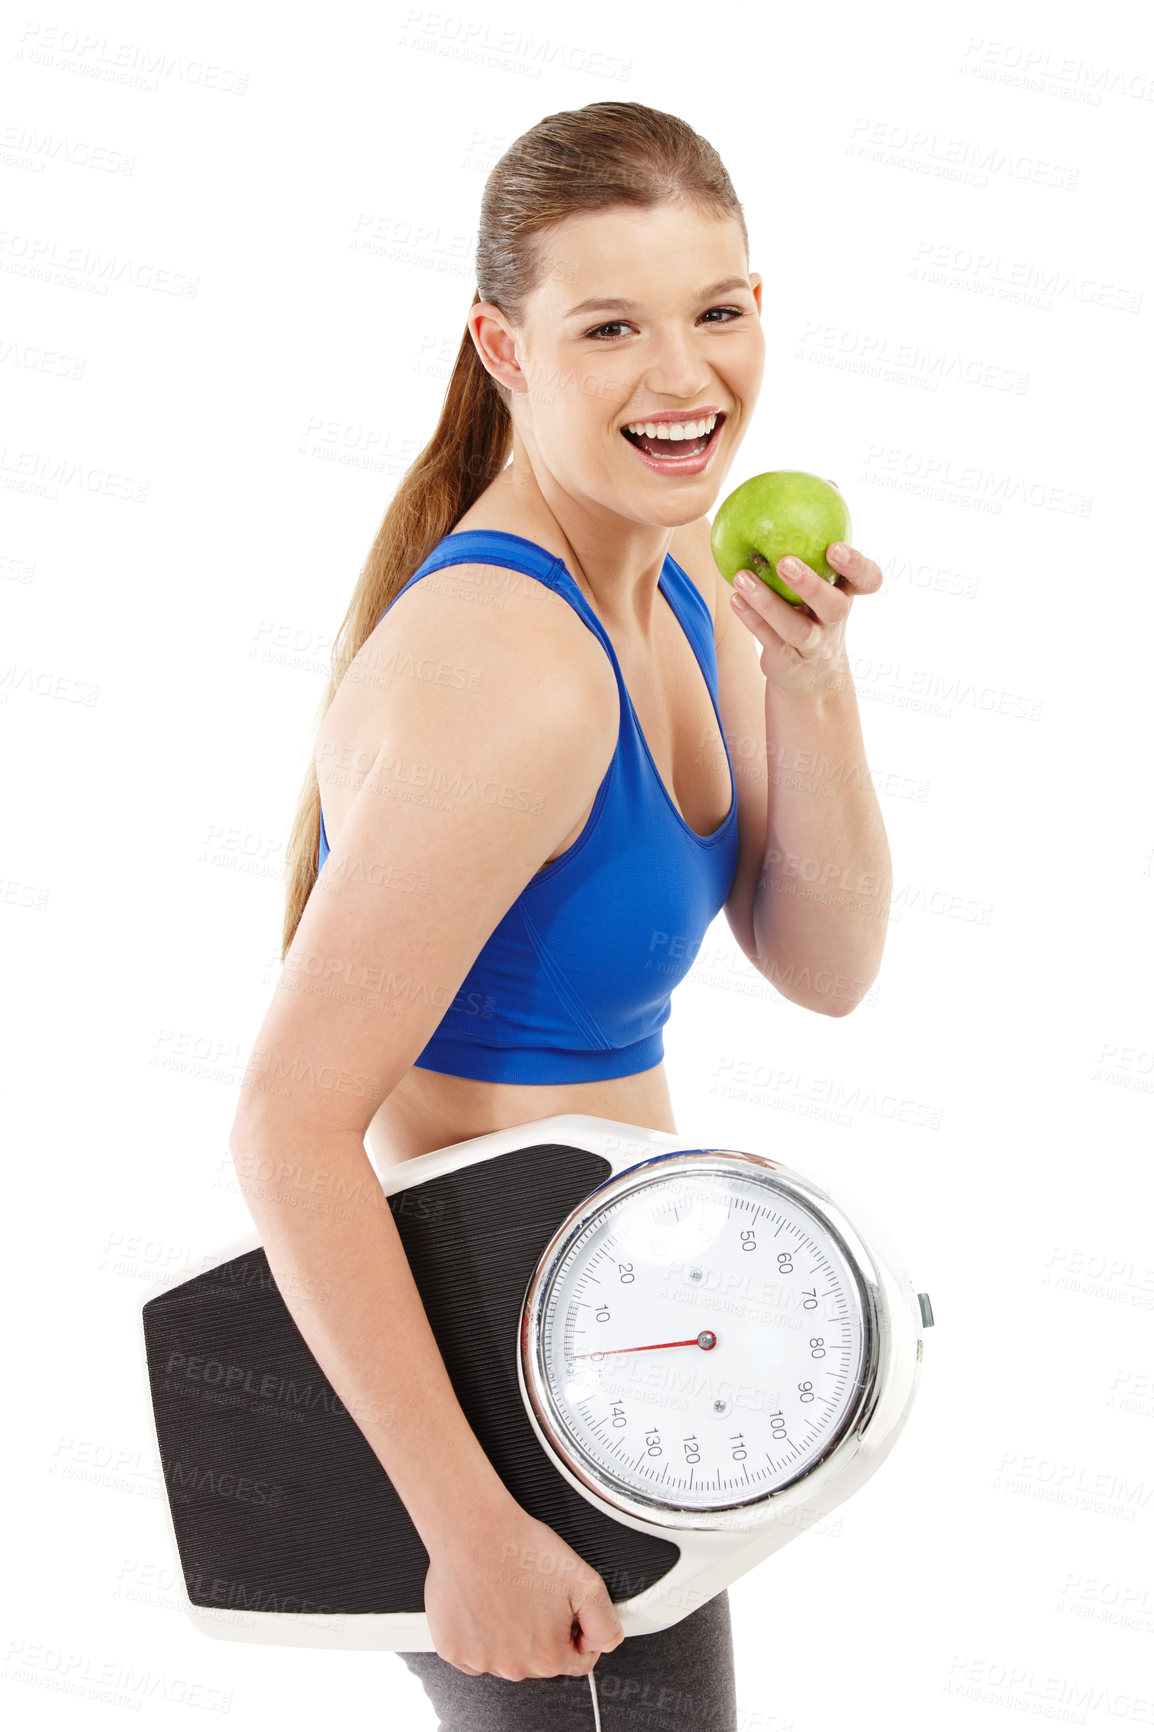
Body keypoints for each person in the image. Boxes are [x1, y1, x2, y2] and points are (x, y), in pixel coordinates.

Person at [229, 99, 889, 1731]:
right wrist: (465, 1529)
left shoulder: (679, 572)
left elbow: (824, 966)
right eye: (610, 328)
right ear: (501, 348)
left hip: (628, 1364)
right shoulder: (510, 673)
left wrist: (810, 682)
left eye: (715, 310)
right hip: (492, 1407)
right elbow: (286, 1127)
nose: (683, 377)